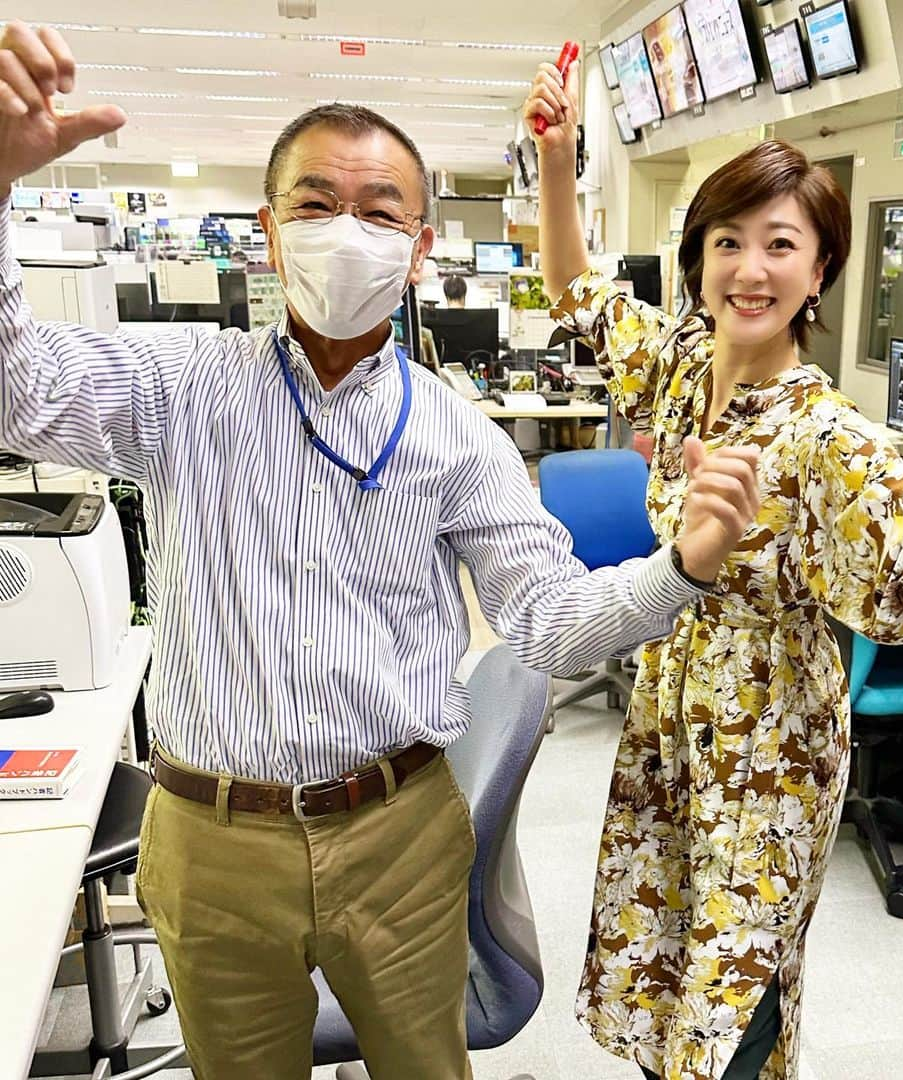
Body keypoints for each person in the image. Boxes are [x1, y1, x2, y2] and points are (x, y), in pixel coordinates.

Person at [0, 22, 765, 1080]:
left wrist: (682, 565)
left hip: (400, 836)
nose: (344, 234)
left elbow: (546, 617)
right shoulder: (180, 389)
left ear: (419, 249)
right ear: (269, 233)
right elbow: (18, 390)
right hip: (213, 836)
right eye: (315, 206)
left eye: (379, 213)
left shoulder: (457, 435)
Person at [527, 55, 903, 1080]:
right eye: (727, 241)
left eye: (780, 245)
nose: (749, 266)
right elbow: (576, 291)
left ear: (820, 269)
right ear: (698, 258)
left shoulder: (826, 433)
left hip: (768, 749)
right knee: (663, 967)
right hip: (670, 716)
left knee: (732, 1000)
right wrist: (558, 162)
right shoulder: (684, 361)